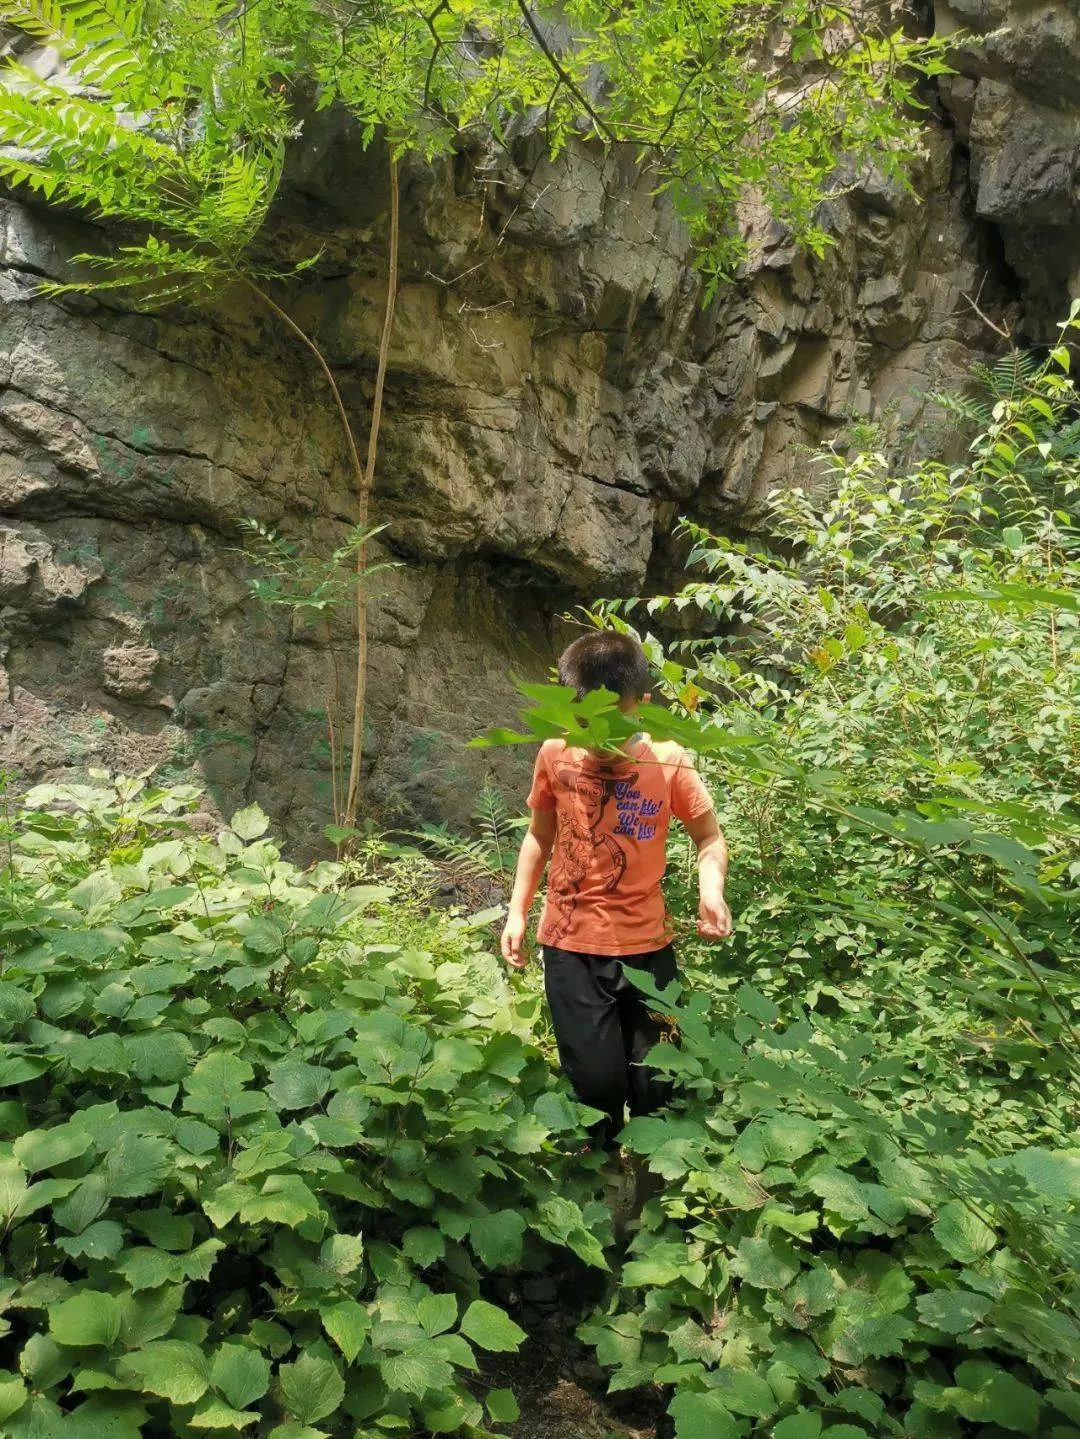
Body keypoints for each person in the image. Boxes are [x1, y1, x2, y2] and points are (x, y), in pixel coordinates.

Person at [500, 630, 732, 1160]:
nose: (598, 739)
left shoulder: (668, 760)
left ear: (641, 706)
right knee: (596, 1087)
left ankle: (653, 1187)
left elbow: (709, 837)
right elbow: (539, 836)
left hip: (650, 949)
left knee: (659, 1083)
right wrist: (517, 912)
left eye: (614, 722)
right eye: (585, 723)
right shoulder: (555, 754)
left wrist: (711, 890)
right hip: (571, 948)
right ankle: (600, 1185)